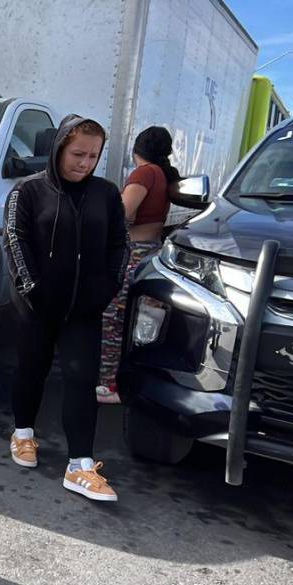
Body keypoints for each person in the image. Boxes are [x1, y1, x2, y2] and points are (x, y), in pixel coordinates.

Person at [3, 115, 128, 502]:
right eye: (77, 154)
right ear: (59, 149)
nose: (85, 163)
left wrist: (106, 289)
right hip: (37, 307)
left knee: (81, 378)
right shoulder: (28, 191)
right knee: (32, 369)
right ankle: (23, 433)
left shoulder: (106, 194)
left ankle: (81, 466)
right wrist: (33, 290)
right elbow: (15, 239)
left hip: (84, 310)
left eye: (93, 156)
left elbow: (119, 245)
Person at [97, 126, 180, 404]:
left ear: (136, 149)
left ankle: (110, 385)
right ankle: (130, 380)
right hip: (151, 251)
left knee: (112, 319)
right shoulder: (162, 174)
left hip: (133, 253)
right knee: (137, 323)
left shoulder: (144, 173)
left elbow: (122, 213)